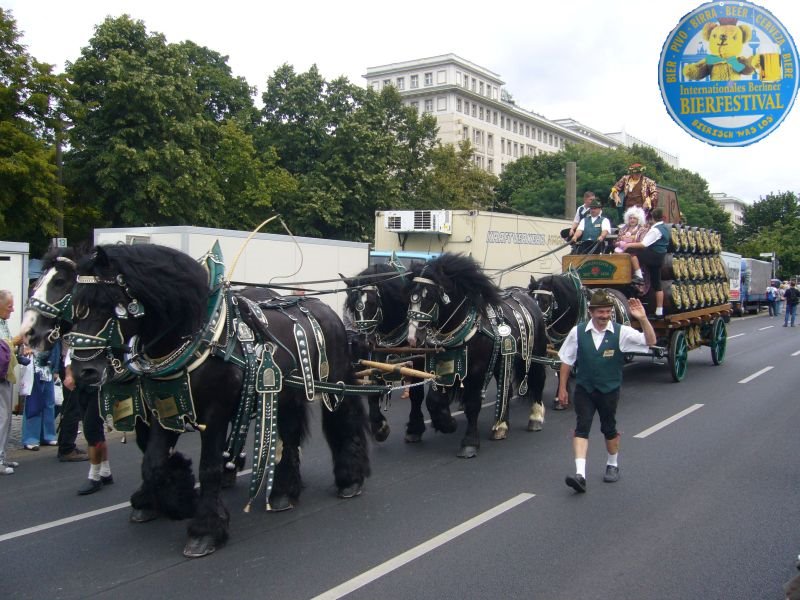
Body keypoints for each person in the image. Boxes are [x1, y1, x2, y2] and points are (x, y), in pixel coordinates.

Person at [557, 291, 656, 493]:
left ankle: (612, 464)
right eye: (600, 311)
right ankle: (580, 475)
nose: (604, 315)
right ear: (591, 312)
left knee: (609, 428)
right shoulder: (578, 332)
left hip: (609, 390)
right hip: (584, 389)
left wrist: (643, 319)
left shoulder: (621, 332)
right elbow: (566, 361)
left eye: (608, 312)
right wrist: (562, 388)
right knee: (581, 428)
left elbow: (650, 341)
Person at [62, 357, 114, 495]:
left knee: (91, 430)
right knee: (95, 430)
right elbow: (70, 357)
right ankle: (106, 472)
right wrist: (69, 375)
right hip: (81, 385)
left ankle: (94, 477)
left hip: (101, 384)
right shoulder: (77, 337)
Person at [622, 207, 671, 317]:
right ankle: (659, 311)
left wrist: (628, 245)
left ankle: (639, 275)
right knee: (657, 284)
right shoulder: (664, 228)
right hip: (659, 257)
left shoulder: (655, 230)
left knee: (633, 254)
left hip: (653, 256)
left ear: (652, 218)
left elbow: (643, 244)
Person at [0, 290, 23, 474]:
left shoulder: (3, 322)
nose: (13, 309)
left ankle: (2, 456)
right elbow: (4, 345)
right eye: (9, 306)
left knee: (6, 417)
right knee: (2, 417)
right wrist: (15, 341)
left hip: (4, 376)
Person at [21, 341, 60, 451]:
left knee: (49, 402)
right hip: (35, 363)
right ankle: (30, 438)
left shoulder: (54, 325)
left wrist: (56, 368)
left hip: (48, 365)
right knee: (34, 403)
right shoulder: (31, 324)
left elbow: (56, 343)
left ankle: (48, 435)